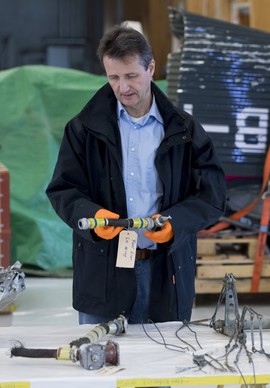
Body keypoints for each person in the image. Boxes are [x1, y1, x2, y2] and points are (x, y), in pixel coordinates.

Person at [46, 24, 226, 325]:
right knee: (101, 363)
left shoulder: (185, 130)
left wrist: (176, 224)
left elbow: (212, 194)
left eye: (131, 76)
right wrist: (92, 216)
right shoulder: (83, 129)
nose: (122, 87)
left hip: (164, 274)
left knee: (165, 366)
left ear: (151, 67)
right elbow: (63, 189)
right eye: (113, 77)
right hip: (103, 275)